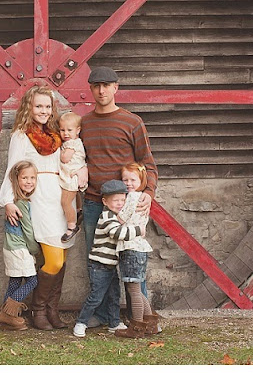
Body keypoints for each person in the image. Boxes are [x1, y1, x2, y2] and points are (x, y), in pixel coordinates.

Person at [78, 66, 158, 328]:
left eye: (106, 85)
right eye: (96, 85)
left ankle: (142, 317)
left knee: (132, 260)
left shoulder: (132, 122)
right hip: (94, 203)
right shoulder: (85, 123)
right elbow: (78, 157)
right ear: (90, 89)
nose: (101, 90)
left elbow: (148, 163)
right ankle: (106, 315)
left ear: (116, 87)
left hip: (127, 206)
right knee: (101, 262)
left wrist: (148, 191)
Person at [0, 86, 75, 330]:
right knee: (52, 260)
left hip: (60, 197)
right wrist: (8, 201)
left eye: (47, 106)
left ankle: (52, 310)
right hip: (38, 199)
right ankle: (38, 309)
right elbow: (13, 169)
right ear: (29, 108)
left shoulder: (56, 134)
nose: (43, 111)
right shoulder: (21, 136)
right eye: (38, 106)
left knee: (60, 258)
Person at [72, 179, 145, 338]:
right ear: (105, 201)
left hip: (111, 266)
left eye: (122, 200)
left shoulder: (117, 216)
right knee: (96, 297)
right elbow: (117, 234)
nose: (119, 204)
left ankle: (114, 322)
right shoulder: (107, 217)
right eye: (115, 201)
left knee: (114, 295)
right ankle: (81, 322)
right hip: (99, 266)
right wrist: (139, 230)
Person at [114, 162, 161, 339]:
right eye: (125, 179)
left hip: (131, 246)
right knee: (137, 289)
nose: (128, 183)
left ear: (141, 180)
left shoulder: (133, 197)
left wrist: (111, 214)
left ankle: (137, 327)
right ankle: (151, 325)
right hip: (138, 246)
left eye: (132, 179)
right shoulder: (141, 197)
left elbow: (121, 218)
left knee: (133, 290)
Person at [0, 160, 41, 330]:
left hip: (10, 247)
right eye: (25, 178)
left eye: (33, 178)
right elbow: (28, 232)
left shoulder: (16, 201)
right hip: (19, 249)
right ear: (16, 180)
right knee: (32, 281)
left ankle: (4, 315)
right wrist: (35, 250)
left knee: (15, 281)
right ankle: (9, 314)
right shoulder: (21, 203)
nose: (29, 181)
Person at [57, 111, 88, 243]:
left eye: (69, 130)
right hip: (73, 174)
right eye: (62, 130)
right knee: (75, 196)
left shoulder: (72, 144)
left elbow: (65, 158)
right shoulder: (75, 141)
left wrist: (60, 151)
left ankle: (72, 226)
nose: (66, 133)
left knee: (65, 201)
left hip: (71, 176)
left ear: (78, 130)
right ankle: (79, 210)